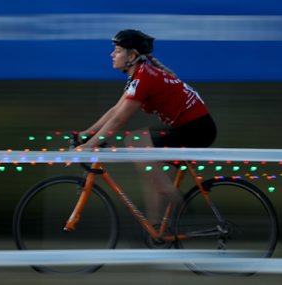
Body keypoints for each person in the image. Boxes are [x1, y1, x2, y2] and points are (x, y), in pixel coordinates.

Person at [77, 29, 217, 223]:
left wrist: (90, 144)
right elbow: (115, 111)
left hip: (197, 130)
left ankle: (178, 204)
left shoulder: (144, 78)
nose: (112, 54)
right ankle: (156, 227)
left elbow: (119, 120)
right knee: (150, 168)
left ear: (132, 56)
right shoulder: (139, 76)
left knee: (135, 142)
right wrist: (87, 134)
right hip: (188, 127)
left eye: (117, 50)